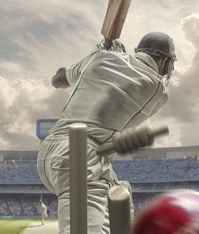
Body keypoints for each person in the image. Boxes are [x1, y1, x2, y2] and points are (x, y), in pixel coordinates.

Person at [37, 32, 176, 234]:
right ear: (164, 59)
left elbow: (58, 79)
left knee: (121, 193)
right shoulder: (158, 91)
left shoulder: (99, 58)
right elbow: (127, 79)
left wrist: (95, 53)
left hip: (49, 154)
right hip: (82, 160)